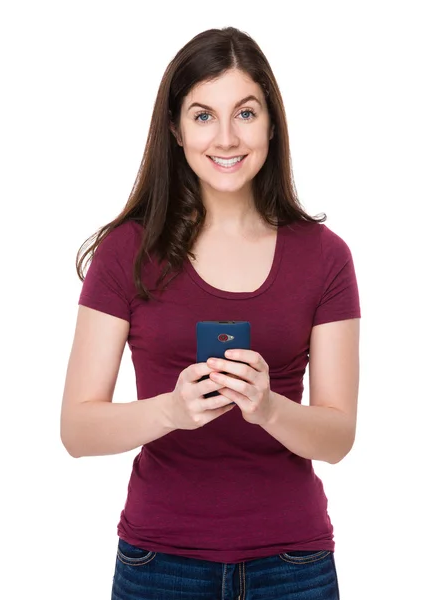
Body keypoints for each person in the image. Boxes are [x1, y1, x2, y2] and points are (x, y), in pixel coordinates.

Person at [60, 26, 360, 600]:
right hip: (160, 564)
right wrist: (171, 410)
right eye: (203, 116)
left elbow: (338, 436)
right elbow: (77, 430)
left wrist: (269, 408)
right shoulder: (128, 251)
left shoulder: (325, 257)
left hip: (293, 565)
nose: (226, 137)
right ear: (174, 129)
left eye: (245, 113)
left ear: (271, 122)